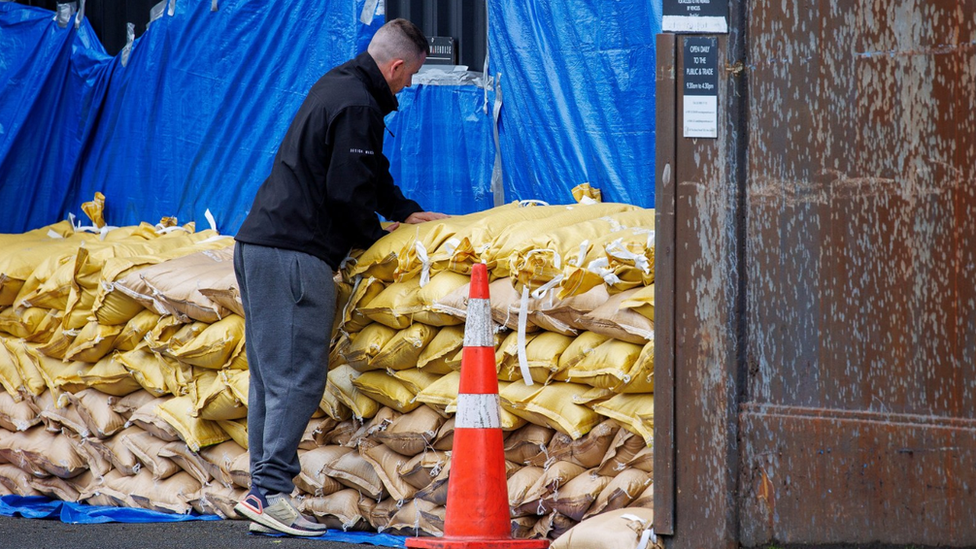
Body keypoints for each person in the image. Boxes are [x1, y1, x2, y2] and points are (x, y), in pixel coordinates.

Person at [232, 18, 448, 536]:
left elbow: (366, 173)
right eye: (411, 76)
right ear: (396, 66)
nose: (409, 86)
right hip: (295, 257)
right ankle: (271, 494)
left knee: (268, 381)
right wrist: (379, 244)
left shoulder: (339, 85)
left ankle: (264, 494)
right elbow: (347, 192)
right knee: (297, 380)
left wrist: (402, 208)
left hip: (258, 246)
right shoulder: (357, 104)